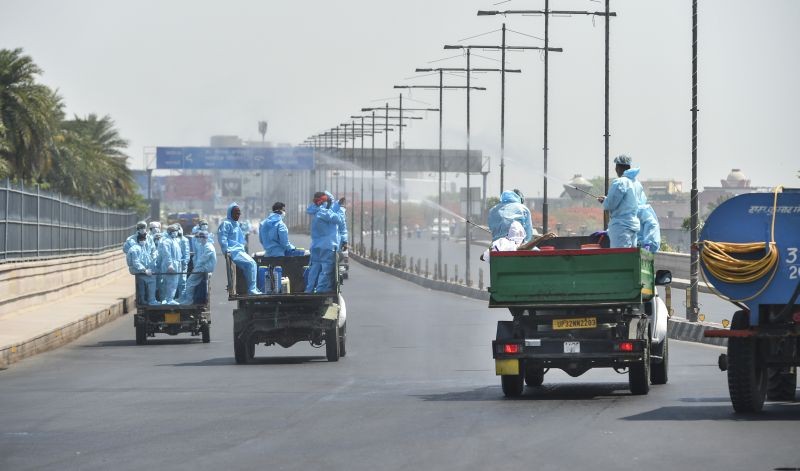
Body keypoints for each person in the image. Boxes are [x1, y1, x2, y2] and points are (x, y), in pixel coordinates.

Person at [597, 154, 643, 248]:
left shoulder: (620, 182)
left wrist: (605, 201)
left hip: (621, 228)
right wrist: (607, 200)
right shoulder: (637, 184)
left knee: (621, 258)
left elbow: (610, 204)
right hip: (633, 226)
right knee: (630, 258)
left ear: (618, 168)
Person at [219, 202, 261, 295]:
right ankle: (252, 289)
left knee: (248, 267)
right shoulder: (226, 224)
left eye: (239, 213)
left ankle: (253, 288)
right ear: (230, 213)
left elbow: (241, 239)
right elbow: (222, 238)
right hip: (233, 251)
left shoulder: (236, 224)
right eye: (236, 213)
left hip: (239, 250)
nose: (238, 215)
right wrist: (226, 250)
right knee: (251, 264)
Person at [305, 191, 344, 293]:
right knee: (326, 270)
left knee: (314, 268)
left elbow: (330, 214)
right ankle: (321, 291)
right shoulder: (323, 212)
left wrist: (335, 205)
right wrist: (339, 207)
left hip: (316, 246)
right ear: (324, 201)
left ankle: (309, 290)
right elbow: (338, 219)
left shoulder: (315, 211)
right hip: (327, 246)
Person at [177, 231, 216, 304]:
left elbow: (202, 260)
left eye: (199, 237)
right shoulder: (203, 246)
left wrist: (196, 268)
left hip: (204, 268)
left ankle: (188, 300)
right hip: (203, 268)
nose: (197, 239)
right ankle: (184, 298)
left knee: (190, 281)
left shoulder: (208, 247)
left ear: (203, 238)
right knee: (192, 282)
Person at [126, 233, 158, 305]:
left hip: (140, 269)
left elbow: (145, 259)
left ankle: (143, 300)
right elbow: (136, 262)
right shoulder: (136, 249)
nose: (143, 241)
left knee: (141, 285)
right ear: (138, 240)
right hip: (138, 270)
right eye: (141, 240)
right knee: (151, 281)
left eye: (144, 239)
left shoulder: (141, 247)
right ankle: (151, 300)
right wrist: (145, 270)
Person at [158, 224, 182, 304]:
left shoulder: (174, 240)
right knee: (171, 282)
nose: (175, 233)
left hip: (176, 263)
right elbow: (166, 254)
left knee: (174, 282)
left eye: (176, 231)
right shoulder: (167, 241)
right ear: (169, 232)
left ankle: (167, 299)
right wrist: (170, 264)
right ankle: (169, 299)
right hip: (171, 264)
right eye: (173, 231)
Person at [176, 226, 190, 295]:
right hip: (175, 264)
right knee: (174, 281)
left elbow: (186, 253)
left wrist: (184, 262)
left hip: (182, 263)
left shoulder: (184, 240)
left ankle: (182, 297)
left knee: (182, 282)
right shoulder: (173, 240)